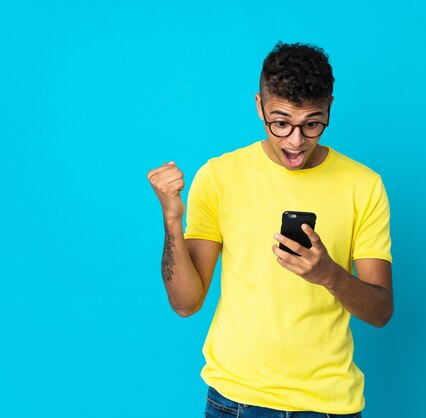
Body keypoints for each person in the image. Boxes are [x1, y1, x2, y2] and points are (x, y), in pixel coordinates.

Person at [147, 41, 393, 418]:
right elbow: (186, 303)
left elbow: (380, 311)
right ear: (259, 106)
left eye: (312, 123)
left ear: (329, 108)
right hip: (235, 402)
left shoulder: (364, 185)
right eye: (281, 123)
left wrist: (329, 275)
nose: (296, 142)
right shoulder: (220, 176)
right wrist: (171, 220)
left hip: (327, 407)